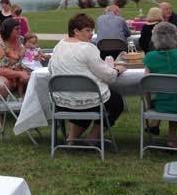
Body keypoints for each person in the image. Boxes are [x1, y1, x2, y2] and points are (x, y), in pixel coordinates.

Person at [48, 13, 126, 143]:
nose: (91, 34)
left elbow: (51, 69)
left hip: (61, 102)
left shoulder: (58, 46)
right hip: (84, 100)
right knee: (116, 102)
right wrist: (117, 70)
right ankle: (92, 139)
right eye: (88, 30)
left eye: (92, 30)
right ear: (76, 31)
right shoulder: (88, 48)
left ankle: (72, 139)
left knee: (82, 97)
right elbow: (107, 75)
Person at [143, 22, 177, 148]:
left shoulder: (149, 57)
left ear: (155, 38)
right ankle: (171, 138)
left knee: (168, 98)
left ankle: (156, 125)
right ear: (176, 37)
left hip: (160, 105)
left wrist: (148, 105)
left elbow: (146, 84)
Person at [0, 18, 31, 112]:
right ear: (8, 30)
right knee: (3, 85)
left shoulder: (20, 40)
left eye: (19, 28)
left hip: (18, 69)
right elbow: (1, 70)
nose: (19, 31)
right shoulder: (0, 45)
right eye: (16, 29)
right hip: (2, 73)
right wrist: (20, 74)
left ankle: (31, 110)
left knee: (34, 79)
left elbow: (27, 54)